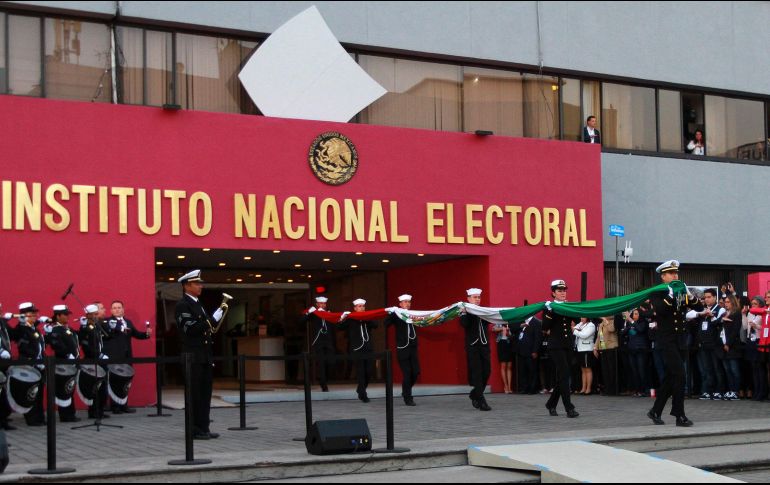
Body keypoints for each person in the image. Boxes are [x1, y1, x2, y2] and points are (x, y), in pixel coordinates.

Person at [647, 260, 703, 427]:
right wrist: (670, 295)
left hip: (680, 339)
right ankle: (679, 415)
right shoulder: (658, 292)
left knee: (672, 377)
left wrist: (690, 295)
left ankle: (655, 411)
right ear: (663, 276)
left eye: (676, 273)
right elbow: (661, 310)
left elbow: (699, 308)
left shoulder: (680, 290)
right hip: (667, 340)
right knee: (680, 375)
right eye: (671, 273)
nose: (675, 276)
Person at [175, 269, 225, 440]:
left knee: (205, 394)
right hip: (192, 356)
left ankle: (204, 427)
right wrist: (212, 319)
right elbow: (191, 329)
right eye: (196, 283)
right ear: (186, 286)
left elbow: (206, 330)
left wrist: (211, 321)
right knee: (194, 394)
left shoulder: (197, 303)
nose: (200, 286)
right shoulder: (183, 305)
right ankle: (194, 429)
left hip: (203, 355)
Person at [103, 300, 151, 413]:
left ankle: (124, 405)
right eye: (114, 308)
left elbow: (136, 334)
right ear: (111, 310)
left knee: (125, 381)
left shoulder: (128, 322)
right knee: (115, 381)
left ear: (123, 309)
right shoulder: (108, 322)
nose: (116, 310)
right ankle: (115, 406)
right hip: (114, 356)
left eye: (119, 307)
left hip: (127, 356)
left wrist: (147, 334)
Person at [542, 280, 579, 418]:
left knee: (563, 376)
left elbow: (577, 318)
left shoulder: (568, 305)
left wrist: (573, 309)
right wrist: (550, 312)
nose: (563, 293)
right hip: (556, 346)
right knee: (564, 375)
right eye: (559, 290)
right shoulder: (548, 308)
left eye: (564, 290)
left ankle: (551, 404)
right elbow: (544, 327)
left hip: (567, 344)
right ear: (553, 293)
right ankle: (569, 408)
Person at [11, 302, 46, 426]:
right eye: (31, 314)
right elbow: (21, 343)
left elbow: (39, 346)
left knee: (39, 393)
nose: (34, 316)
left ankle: (40, 417)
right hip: (29, 364)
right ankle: (32, 418)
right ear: (23, 315)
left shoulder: (33, 328)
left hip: (39, 364)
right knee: (30, 393)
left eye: (34, 314)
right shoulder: (22, 328)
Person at [47, 305, 81, 422]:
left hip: (71, 363)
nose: (67, 317)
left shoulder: (66, 328)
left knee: (69, 387)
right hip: (63, 363)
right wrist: (67, 354)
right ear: (58, 316)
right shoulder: (56, 329)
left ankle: (70, 413)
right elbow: (56, 345)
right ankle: (66, 415)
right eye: (65, 315)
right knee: (64, 388)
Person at [339, 299, 377, 403]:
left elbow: (375, 325)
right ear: (355, 308)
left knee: (369, 372)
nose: (361, 308)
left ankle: (360, 389)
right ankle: (363, 394)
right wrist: (343, 317)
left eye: (363, 306)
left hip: (368, 348)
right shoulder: (351, 319)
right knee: (360, 372)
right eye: (359, 306)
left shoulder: (367, 317)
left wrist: (367, 317)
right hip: (357, 349)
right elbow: (339, 327)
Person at [385, 294, 421, 406]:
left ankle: (405, 390)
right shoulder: (397, 314)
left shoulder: (413, 313)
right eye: (405, 302)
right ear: (400, 304)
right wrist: (392, 313)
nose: (407, 304)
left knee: (415, 372)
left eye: (408, 302)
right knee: (407, 373)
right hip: (403, 348)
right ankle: (408, 397)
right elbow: (385, 324)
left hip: (413, 347)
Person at [460, 288, 492, 411]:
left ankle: (474, 394)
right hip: (473, 346)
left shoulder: (484, 310)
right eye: (474, 297)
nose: (477, 299)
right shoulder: (465, 310)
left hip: (484, 345)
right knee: (477, 374)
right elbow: (464, 324)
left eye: (478, 297)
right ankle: (481, 400)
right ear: (468, 299)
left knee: (487, 371)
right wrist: (464, 312)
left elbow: (492, 320)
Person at [692, 288, 726, 400]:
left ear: (715, 297)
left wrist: (711, 315)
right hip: (704, 343)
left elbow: (720, 322)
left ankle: (719, 390)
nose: (706, 299)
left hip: (715, 344)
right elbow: (690, 317)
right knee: (707, 369)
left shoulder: (720, 309)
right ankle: (708, 390)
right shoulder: (702, 309)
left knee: (717, 368)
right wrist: (700, 313)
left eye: (709, 297)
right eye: (705, 297)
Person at [77, 304, 109, 419]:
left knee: (102, 388)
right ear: (88, 315)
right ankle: (93, 412)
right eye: (94, 315)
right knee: (94, 387)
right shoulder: (86, 329)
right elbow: (86, 346)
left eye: (97, 314)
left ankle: (100, 410)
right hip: (92, 360)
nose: (96, 316)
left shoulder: (96, 327)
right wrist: (97, 355)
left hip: (100, 360)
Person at [306, 296, 335, 393]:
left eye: (324, 304)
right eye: (321, 304)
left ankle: (326, 379)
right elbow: (302, 320)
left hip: (328, 342)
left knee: (330, 362)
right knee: (321, 363)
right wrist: (309, 312)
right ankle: (323, 384)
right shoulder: (314, 314)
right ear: (317, 304)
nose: (323, 305)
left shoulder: (329, 313)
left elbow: (336, 324)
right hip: (318, 341)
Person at [717, 294, 742, 400]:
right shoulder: (724, 313)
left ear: (733, 302)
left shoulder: (736, 314)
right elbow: (716, 322)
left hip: (732, 345)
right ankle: (730, 390)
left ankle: (736, 390)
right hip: (723, 343)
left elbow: (735, 331)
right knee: (727, 369)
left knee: (734, 369)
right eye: (725, 302)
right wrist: (722, 320)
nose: (726, 304)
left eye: (728, 302)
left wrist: (728, 344)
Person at [623, 309, 650, 397]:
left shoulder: (643, 322)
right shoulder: (630, 323)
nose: (634, 315)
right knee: (634, 371)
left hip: (641, 349)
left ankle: (643, 390)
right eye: (633, 314)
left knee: (641, 370)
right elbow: (623, 333)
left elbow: (640, 329)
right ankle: (637, 390)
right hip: (632, 349)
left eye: (636, 314)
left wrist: (631, 321)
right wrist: (628, 324)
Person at [746, 296, 767, 401]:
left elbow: (764, 327)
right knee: (753, 367)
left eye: (755, 304)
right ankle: (756, 390)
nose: (753, 306)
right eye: (752, 303)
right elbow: (746, 327)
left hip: (759, 340)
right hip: (751, 340)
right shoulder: (750, 313)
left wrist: (756, 326)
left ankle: (762, 391)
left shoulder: (763, 313)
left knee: (759, 367)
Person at [516, 315, 542, 394]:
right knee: (522, 370)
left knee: (532, 370)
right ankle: (524, 388)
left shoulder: (536, 322)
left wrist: (535, 351)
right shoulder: (522, 321)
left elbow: (538, 338)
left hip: (531, 351)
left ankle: (532, 389)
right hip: (521, 351)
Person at [593, 316, 619, 395]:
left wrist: (606, 321)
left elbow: (612, 329)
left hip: (611, 347)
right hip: (603, 348)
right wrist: (595, 347)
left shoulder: (613, 321)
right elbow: (599, 336)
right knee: (605, 370)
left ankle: (613, 390)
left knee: (611, 369)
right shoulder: (601, 324)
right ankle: (607, 389)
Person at [0, 307, 14, 430]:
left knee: (3, 390)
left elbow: (13, 335)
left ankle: (3, 419)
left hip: (4, 362)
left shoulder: (2, 323)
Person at [574, 317, 596, 395]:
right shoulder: (580, 324)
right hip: (580, 349)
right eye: (581, 317)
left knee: (588, 369)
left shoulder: (591, 325)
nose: (581, 318)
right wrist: (576, 329)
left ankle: (588, 388)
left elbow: (584, 335)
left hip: (587, 349)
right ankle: (583, 388)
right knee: (583, 369)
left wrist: (575, 331)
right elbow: (574, 327)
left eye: (583, 317)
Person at [493, 322, 514, 394]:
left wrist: (509, 332)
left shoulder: (511, 321)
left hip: (509, 343)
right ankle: (506, 386)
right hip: (501, 343)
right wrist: (503, 328)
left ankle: (510, 386)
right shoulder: (499, 321)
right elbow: (494, 329)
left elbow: (513, 333)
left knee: (509, 366)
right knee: (503, 365)